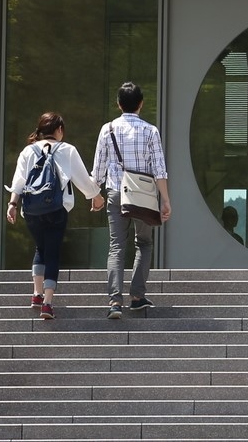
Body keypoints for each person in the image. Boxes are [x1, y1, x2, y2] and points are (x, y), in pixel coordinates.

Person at [4, 111, 100, 320]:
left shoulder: (28, 151)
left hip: (31, 210)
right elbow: (83, 180)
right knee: (53, 252)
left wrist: (12, 204)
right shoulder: (67, 150)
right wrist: (96, 196)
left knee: (41, 248)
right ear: (59, 130)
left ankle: (36, 294)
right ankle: (47, 303)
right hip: (56, 209)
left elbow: (18, 181)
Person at [89, 82, 170, 319]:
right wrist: (165, 200)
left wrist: (95, 195)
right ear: (141, 104)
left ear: (118, 104)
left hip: (116, 192)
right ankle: (137, 297)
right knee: (143, 243)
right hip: (143, 195)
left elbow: (98, 169)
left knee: (116, 246)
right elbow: (160, 171)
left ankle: (115, 302)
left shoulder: (108, 129)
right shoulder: (150, 131)